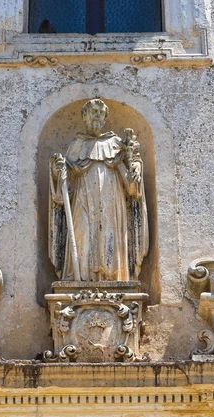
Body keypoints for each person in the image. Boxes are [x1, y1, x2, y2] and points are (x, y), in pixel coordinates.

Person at [49, 98, 149, 282]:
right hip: (82, 200)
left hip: (111, 202)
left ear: (105, 118)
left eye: (100, 113)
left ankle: (114, 279)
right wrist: (58, 173)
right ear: (84, 117)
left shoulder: (115, 143)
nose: (97, 116)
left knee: (110, 236)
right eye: (93, 112)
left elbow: (131, 186)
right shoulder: (76, 145)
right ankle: (80, 278)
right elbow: (65, 188)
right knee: (81, 234)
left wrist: (134, 166)